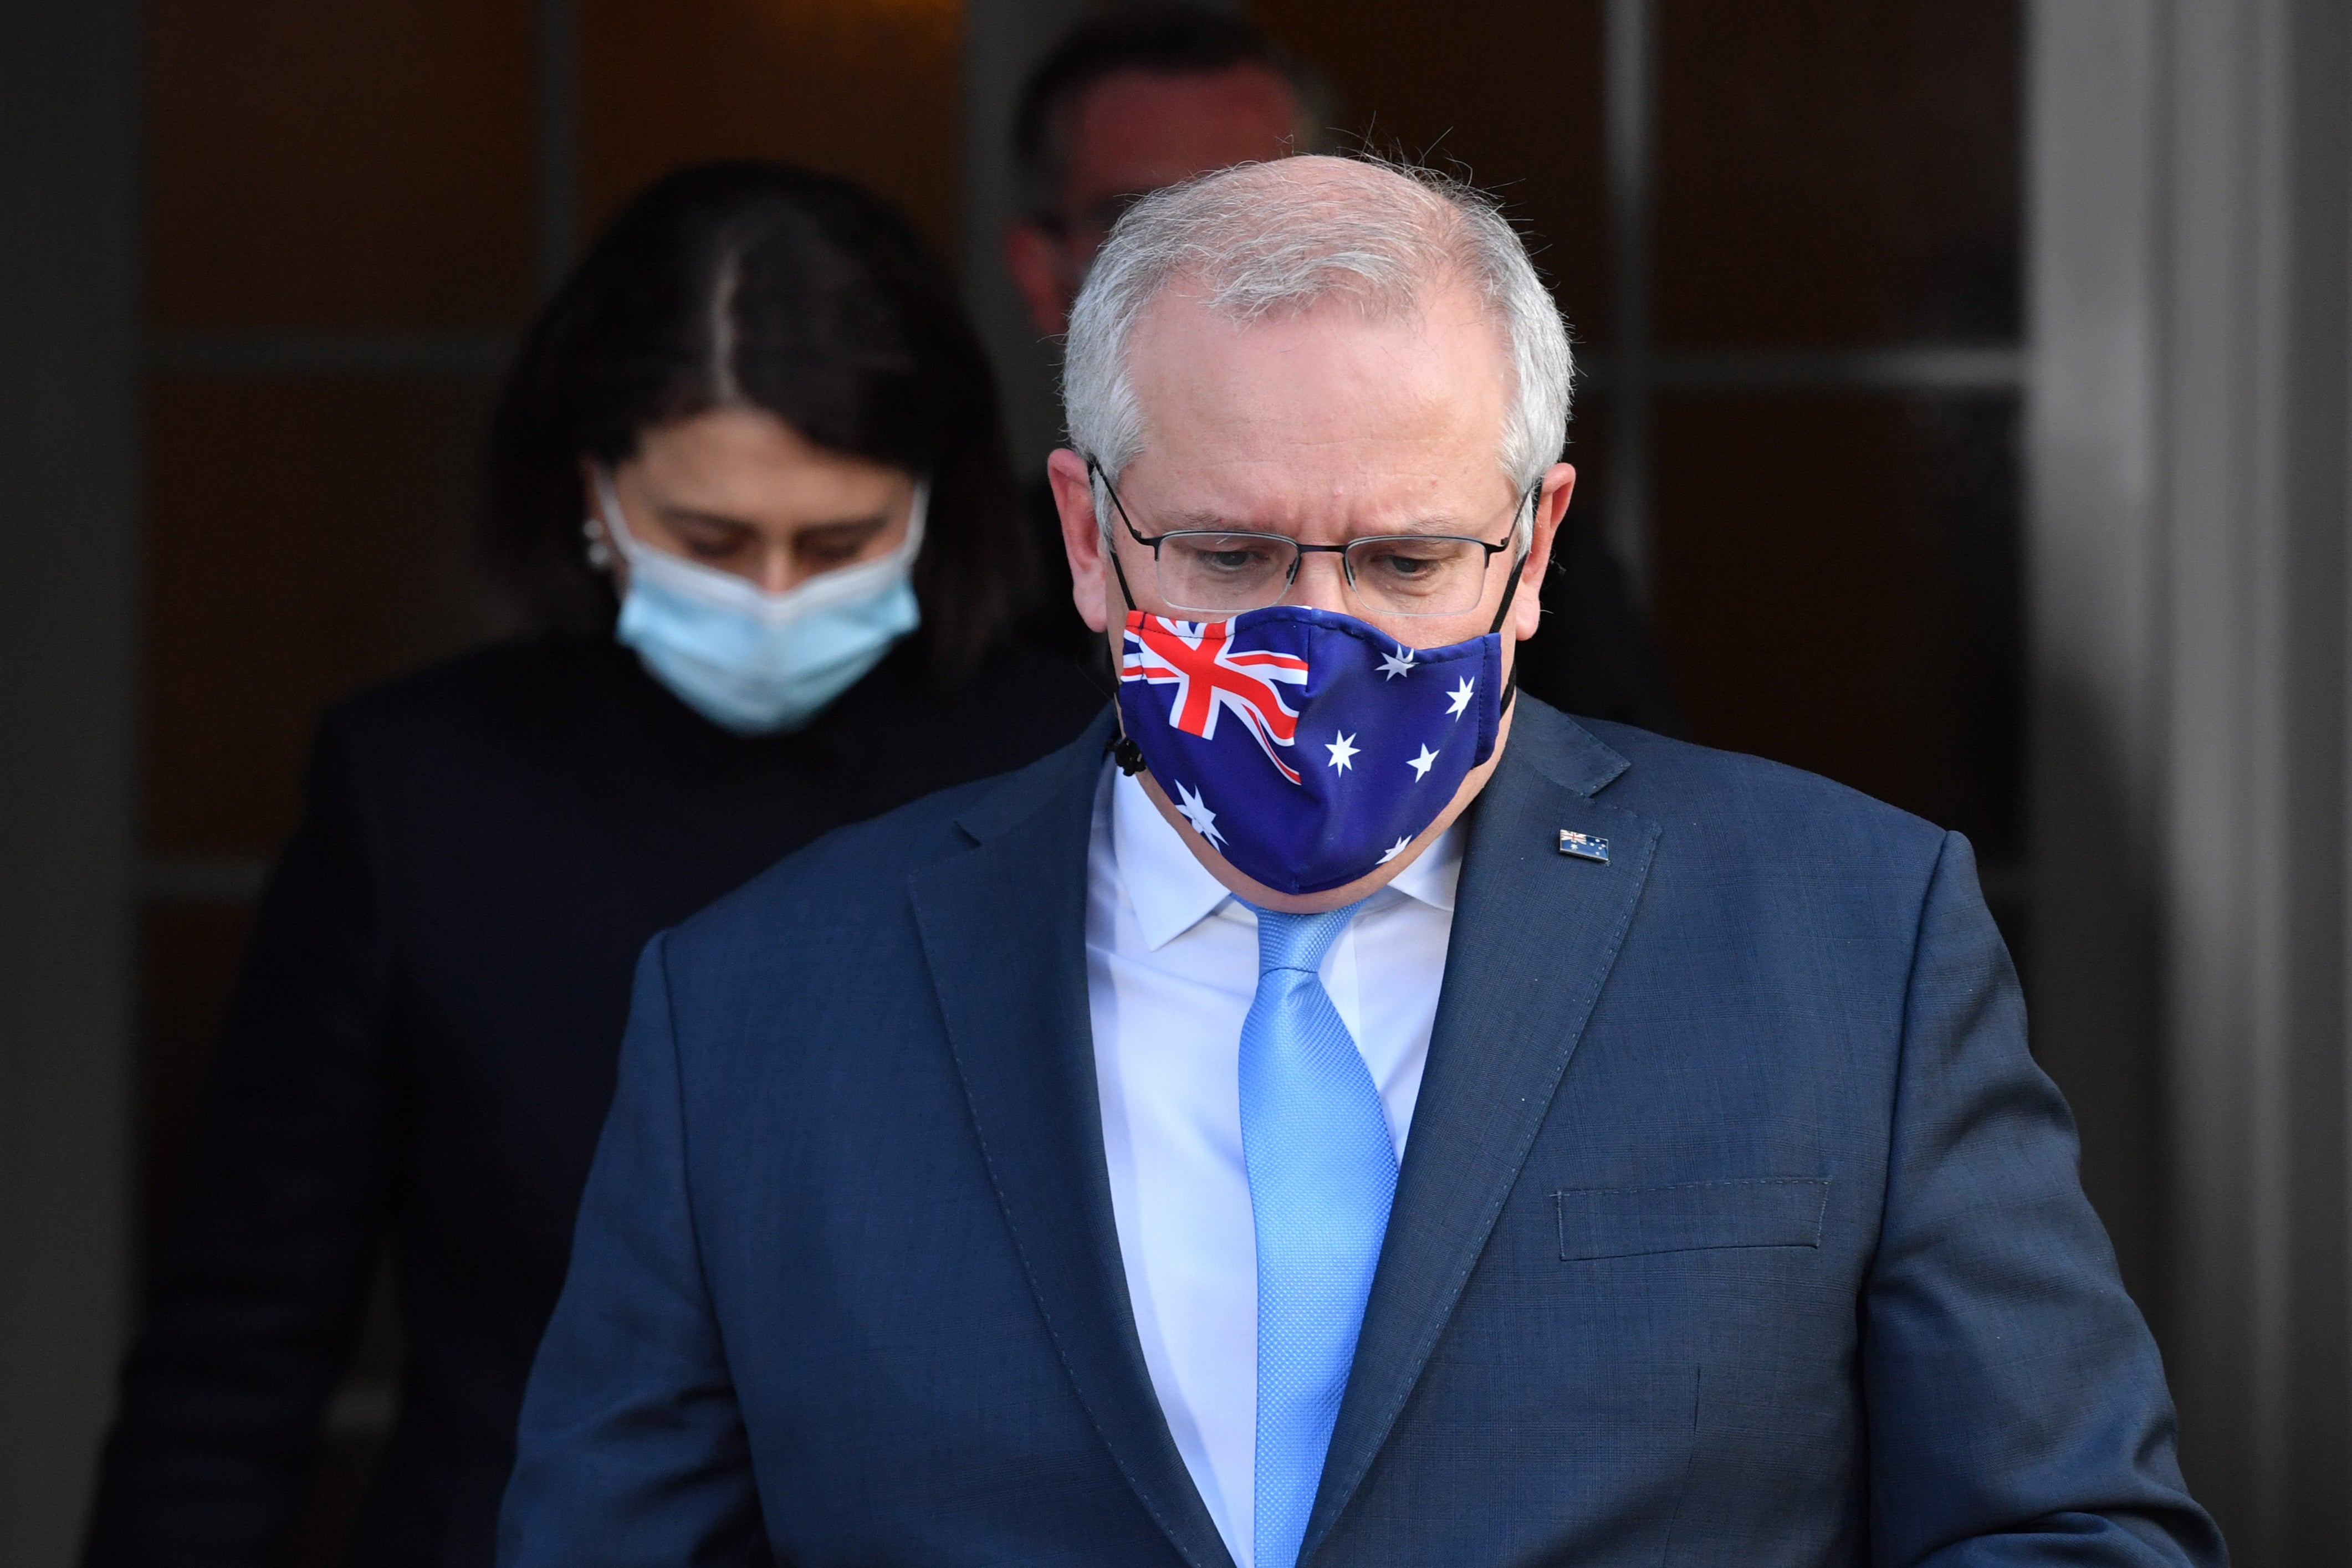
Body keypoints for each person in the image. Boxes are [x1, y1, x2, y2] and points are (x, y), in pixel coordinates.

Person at [498, 156, 2221, 1566]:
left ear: (1533, 543)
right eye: (1233, 552)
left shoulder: (1845, 934)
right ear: (1089, 540)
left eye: (1406, 561)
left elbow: (2071, 1524)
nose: (1318, 637)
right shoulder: (760, 999)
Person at [82, 162, 1101, 1567]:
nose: (773, 593)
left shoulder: (1070, 770)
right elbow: (239, 1340)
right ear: (591, 490)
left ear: (935, 507)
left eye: (839, 540)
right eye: (709, 538)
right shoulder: (419, 791)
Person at [1004, 6, 1681, 735]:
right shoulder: (991, 594)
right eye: (1228, 556)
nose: (1211, 254)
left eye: (1406, 563)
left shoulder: (1501, 549)